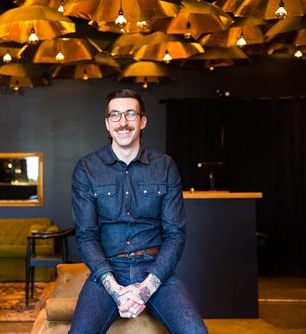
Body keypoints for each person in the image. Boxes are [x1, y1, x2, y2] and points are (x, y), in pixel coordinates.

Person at [69, 89, 207, 334]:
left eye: (130, 114)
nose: (123, 122)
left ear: (142, 121)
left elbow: (175, 234)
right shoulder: (87, 168)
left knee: (195, 331)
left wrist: (144, 289)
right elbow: (86, 235)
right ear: (107, 123)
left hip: (156, 269)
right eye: (115, 115)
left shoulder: (165, 165)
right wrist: (115, 289)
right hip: (107, 271)